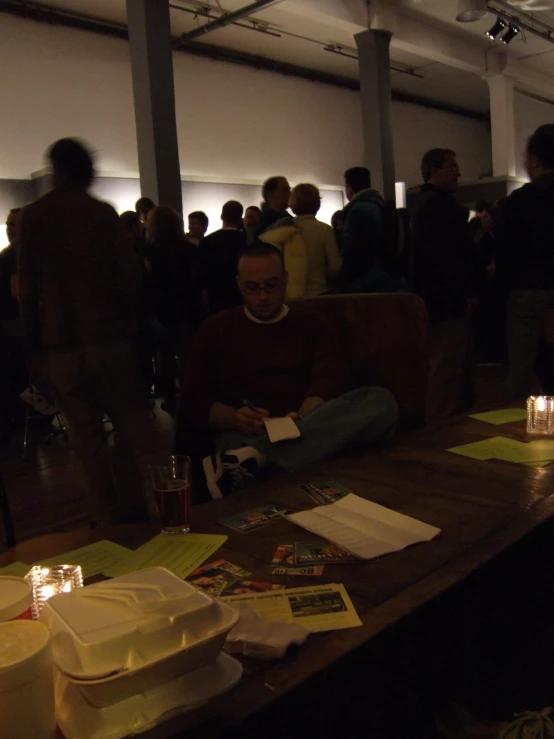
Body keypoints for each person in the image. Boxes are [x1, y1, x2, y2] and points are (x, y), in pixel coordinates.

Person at [178, 241, 398, 499]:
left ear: (285, 279)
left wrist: (307, 411)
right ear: (239, 284)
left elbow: (331, 373)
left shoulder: (311, 321)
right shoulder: (216, 328)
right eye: (252, 288)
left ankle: (259, 459)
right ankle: (269, 461)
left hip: (303, 426)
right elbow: (193, 397)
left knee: (382, 401)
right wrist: (237, 417)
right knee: (253, 449)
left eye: (271, 286)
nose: (262, 296)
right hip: (241, 436)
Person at [18, 137, 152, 525]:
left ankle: (105, 517)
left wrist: (33, 345)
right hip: (109, 338)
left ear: (55, 171)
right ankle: (134, 508)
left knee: (85, 438)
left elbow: (27, 289)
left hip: (61, 343)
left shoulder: (36, 215)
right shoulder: (102, 213)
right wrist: (130, 318)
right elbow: (129, 274)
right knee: (125, 430)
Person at [411, 148, 478, 420]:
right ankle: (441, 427)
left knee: (447, 365)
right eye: (452, 166)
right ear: (435, 171)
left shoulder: (427, 204)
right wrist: (464, 293)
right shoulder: (438, 207)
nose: (458, 172)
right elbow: (447, 258)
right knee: (446, 366)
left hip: (438, 299)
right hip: (446, 301)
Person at [497, 124, 554, 398]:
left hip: (527, 290)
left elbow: (507, 250)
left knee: (520, 366)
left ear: (535, 160)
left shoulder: (519, 200)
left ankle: (512, 432)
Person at [143, 206, 198, 409]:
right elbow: (195, 280)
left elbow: (147, 281)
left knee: (164, 355)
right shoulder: (189, 249)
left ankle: (169, 396)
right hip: (186, 307)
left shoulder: (149, 250)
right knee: (187, 356)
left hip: (161, 309)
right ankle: (189, 395)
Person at [338, 167, 392, 293]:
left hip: (365, 283)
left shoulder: (359, 211)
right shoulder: (377, 205)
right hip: (381, 276)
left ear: (349, 188)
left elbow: (357, 251)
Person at [0, 208, 26, 445]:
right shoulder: (13, 254)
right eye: (8, 224)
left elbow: (17, 293)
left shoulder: (13, 255)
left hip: (13, 326)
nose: (9, 228)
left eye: (14, 224)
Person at [287, 183, 341, 296]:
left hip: (292, 293)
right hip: (319, 290)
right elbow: (335, 266)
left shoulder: (285, 228)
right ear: (317, 203)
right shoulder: (324, 229)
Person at [196, 200, 246, 315]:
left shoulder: (207, 241)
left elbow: (202, 275)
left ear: (222, 216)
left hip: (215, 297)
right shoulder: (246, 241)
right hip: (240, 296)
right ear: (240, 219)